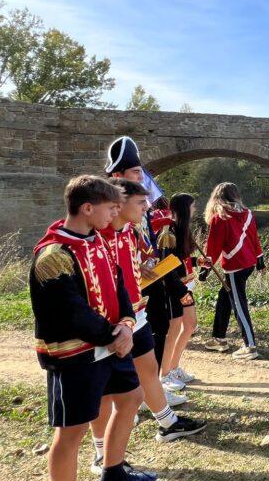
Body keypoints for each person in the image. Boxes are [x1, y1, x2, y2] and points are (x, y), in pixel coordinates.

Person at [31, 175, 155, 481]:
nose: (116, 214)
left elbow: (118, 284)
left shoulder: (98, 240)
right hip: (75, 354)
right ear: (87, 208)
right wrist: (114, 336)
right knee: (71, 431)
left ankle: (113, 476)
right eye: (110, 208)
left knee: (131, 397)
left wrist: (127, 324)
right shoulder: (54, 256)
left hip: (110, 345)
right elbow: (70, 312)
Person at [88, 178, 206, 460]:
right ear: (119, 204)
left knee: (149, 369)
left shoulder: (132, 232)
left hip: (136, 313)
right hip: (111, 321)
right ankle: (101, 454)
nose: (146, 208)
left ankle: (168, 423)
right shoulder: (97, 236)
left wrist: (148, 267)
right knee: (106, 391)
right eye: (141, 202)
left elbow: (138, 264)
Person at [104, 136, 193, 395]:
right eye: (135, 172)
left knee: (157, 329)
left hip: (149, 277)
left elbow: (146, 240)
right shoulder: (109, 211)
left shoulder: (139, 205)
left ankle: (153, 389)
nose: (141, 177)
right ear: (118, 175)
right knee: (138, 338)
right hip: (128, 286)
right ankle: (144, 392)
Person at [204, 182, 264, 360]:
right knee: (225, 297)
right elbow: (254, 237)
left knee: (239, 304)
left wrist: (205, 268)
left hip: (235, 266)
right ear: (236, 195)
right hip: (248, 263)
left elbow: (214, 246)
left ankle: (250, 346)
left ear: (217, 197)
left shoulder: (220, 218)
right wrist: (260, 258)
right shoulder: (247, 213)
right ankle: (219, 338)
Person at [161, 192, 200, 385]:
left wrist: (197, 261)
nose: (195, 210)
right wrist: (181, 293)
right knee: (174, 329)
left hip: (185, 285)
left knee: (190, 325)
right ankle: (165, 373)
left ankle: (174, 367)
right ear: (184, 209)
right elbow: (167, 266)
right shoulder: (168, 233)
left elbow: (180, 259)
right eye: (192, 206)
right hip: (174, 288)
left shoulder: (182, 230)